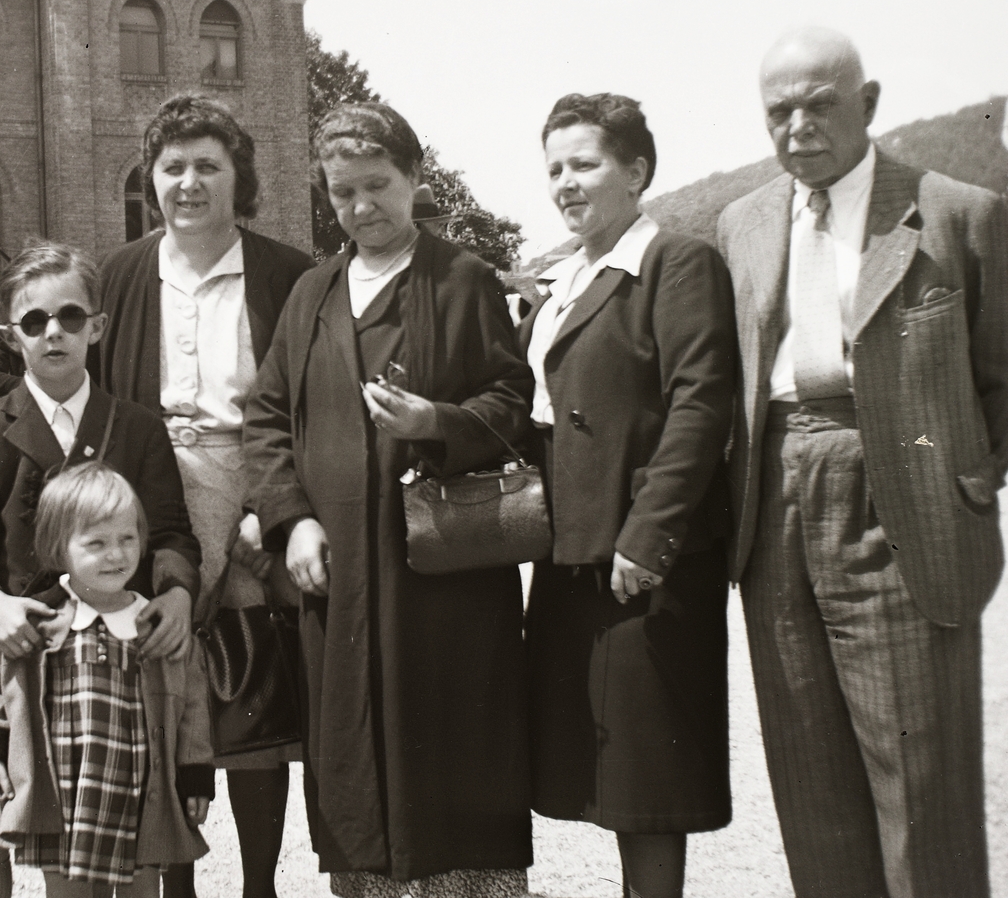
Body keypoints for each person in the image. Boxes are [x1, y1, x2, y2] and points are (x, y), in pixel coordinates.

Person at [718, 27, 1007, 898]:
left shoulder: (955, 211)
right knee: (810, 778)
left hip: (902, 498)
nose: (798, 126)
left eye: (820, 104)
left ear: (869, 104)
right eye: (780, 110)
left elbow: (1002, 375)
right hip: (775, 497)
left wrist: (964, 478)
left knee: (921, 788)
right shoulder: (742, 221)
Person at [244, 104, 534, 898]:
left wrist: (437, 421)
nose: (362, 205)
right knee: (350, 749)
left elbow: (514, 399)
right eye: (343, 192)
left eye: (378, 185)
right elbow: (266, 417)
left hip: (442, 574)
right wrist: (290, 518)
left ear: (414, 178)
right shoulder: (311, 294)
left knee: (454, 739)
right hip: (335, 569)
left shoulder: (462, 277)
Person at [0, 240, 201, 898]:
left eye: (71, 317)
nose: (54, 332)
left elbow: (169, 532)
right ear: (9, 335)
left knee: (132, 828)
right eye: (34, 321)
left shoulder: (134, 427)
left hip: (115, 663)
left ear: (97, 327)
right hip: (21, 656)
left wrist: (175, 594)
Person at [94, 94, 312, 898]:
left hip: (251, 494)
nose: (189, 182)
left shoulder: (289, 275)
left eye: (207, 166)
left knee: (252, 693)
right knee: (162, 693)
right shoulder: (116, 275)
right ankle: (176, 884)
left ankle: (260, 884)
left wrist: (277, 509)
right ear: (151, 180)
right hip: (150, 501)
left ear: (238, 176)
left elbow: (309, 408)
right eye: (172, 167)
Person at [521, 94, 735, 898]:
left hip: (640, 561)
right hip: (570, 559)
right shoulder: (562, 282)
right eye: (554, 169)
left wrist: (647, 539)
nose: (565, 184)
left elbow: (700, 405)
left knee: (649, 786)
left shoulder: (676, 264)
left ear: (638, 171)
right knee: (603, 769)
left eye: (585, 164)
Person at [0, 460, 215, 898]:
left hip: (141, 795)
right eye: (97, 543)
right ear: (58, 548)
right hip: (64, 794)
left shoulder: (155, 626)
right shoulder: (38, 623)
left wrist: (195, 775)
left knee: (143, 891)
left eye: (127, 538)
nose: (117, 554)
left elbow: (193, 707)